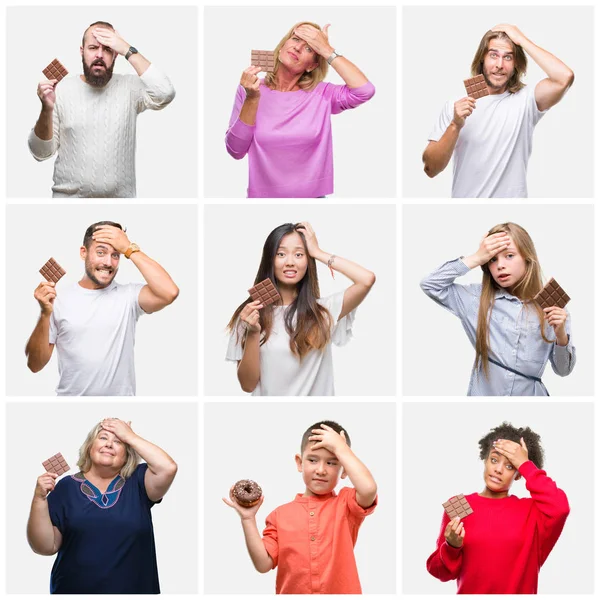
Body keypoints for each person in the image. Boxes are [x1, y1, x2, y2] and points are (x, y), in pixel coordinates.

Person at [25, 220, 179, 395]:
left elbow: (169, 292)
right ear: (83, 252)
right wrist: (45, 314)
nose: (108, 262)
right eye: (101, 252)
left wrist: (129, 248)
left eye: (116, 255)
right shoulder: (57, 299)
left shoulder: (128, 296)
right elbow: (34, 365)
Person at [420, 222, 575, 395]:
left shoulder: (552, 306)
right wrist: (476, 257)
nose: (500, 265)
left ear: (527, 257)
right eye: (492, 259)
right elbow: (430, 284)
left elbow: (563, 370)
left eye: (509, 256)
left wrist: (561, 335)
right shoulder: (475, 299)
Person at [224, 421, 377, 594]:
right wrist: (248, 519)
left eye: (332, 463)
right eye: (312, 460)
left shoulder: (346, 504)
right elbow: (263, 563)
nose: (321, 470)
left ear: (344, 469)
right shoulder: (280, 515)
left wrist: (342, 450)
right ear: (299, 462)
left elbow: (369, 488)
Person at [27, 418, 177, 594]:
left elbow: (168, 468)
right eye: (103, 438)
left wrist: (130, 436)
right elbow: (45, 547)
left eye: (118, 441)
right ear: (90, 446)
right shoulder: (66, 486)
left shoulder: (139, 480)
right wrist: (39, 498)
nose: (109, 444)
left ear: (128, 454)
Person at [225, 22, 375, 198]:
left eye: (309, 48)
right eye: (296, 39)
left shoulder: (323, 94)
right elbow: (235, 150)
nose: (297, 47)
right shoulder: (251, 89)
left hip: (312, 200)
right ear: (281, 47)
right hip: (263, 202)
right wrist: (252, 98)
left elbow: (365, 90)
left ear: (312, 65)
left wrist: (327, 50)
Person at [423, 24, 574, 198]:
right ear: (482, 59)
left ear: (516, 64)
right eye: (493, 55)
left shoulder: (526, 100)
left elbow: (565, 77)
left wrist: (521, 40)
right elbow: (430, 169)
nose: (499, 65)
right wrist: (455, 125)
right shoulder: (456, 105)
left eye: (508, 57)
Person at [28, 21, 175, 197]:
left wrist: (126, 48)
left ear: (115, 55)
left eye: (107, 49)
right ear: (82, 51)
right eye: (92, 48)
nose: (99, 54)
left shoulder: (129, 87)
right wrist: (46, 108)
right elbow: (40, 153)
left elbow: (165, 92)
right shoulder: (61, 89)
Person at [226, 222, 375, 395]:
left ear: (308, 260)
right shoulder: (250, 314)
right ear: (270, 259)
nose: (290, 262)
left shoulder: (324, 311)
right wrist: (252, 332)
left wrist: (318, 252)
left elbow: (366, 279)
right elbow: (248, 385)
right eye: (281, 254)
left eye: (299, 254)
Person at [426, 422, 569, 594]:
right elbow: (438, 572)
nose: (498, 469)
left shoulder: (532, 512)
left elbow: (561, 508)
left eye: (510, 466)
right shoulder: (459, 504)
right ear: (485, 460)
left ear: (518, 475)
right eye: (494, 460)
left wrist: (525, 464)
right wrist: (451, 547)